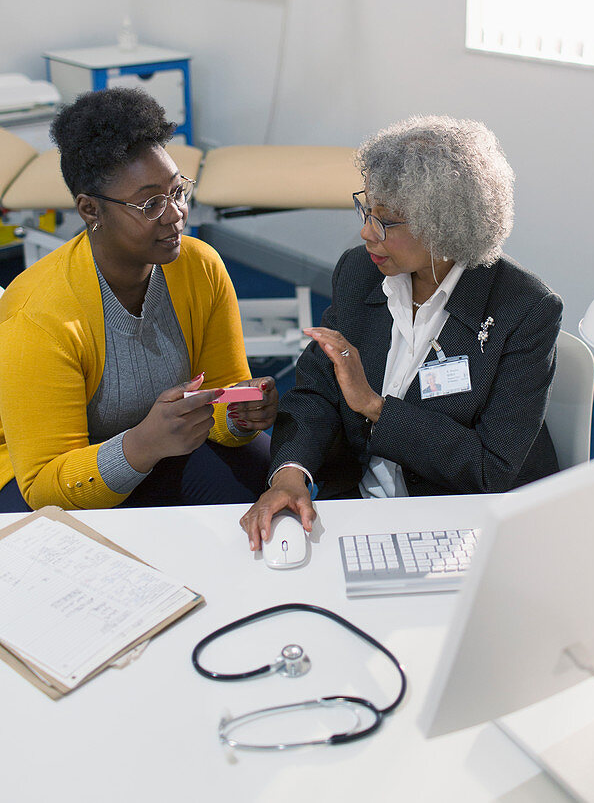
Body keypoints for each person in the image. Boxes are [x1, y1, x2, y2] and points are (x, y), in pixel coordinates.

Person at [241, 115, 562, 550]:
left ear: (444, 225)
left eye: (387, 222)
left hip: (461, 522)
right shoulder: (359, 272)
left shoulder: (523, 310)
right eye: (366, 210)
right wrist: (290, 475)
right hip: (354, 502)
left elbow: (491, 468)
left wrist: (374, 407)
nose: (366, 232)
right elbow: (315, 391)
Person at [0, 89, 277, 513]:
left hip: (157, 448)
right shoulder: (38, 316)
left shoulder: (198, 266)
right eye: (150, 203)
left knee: (272, 480)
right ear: (91, 210)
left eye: (178, 191)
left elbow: (222, 399)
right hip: (47, 479)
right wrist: (139, 445)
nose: (175, 214)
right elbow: (42, 485)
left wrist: (241, 415)